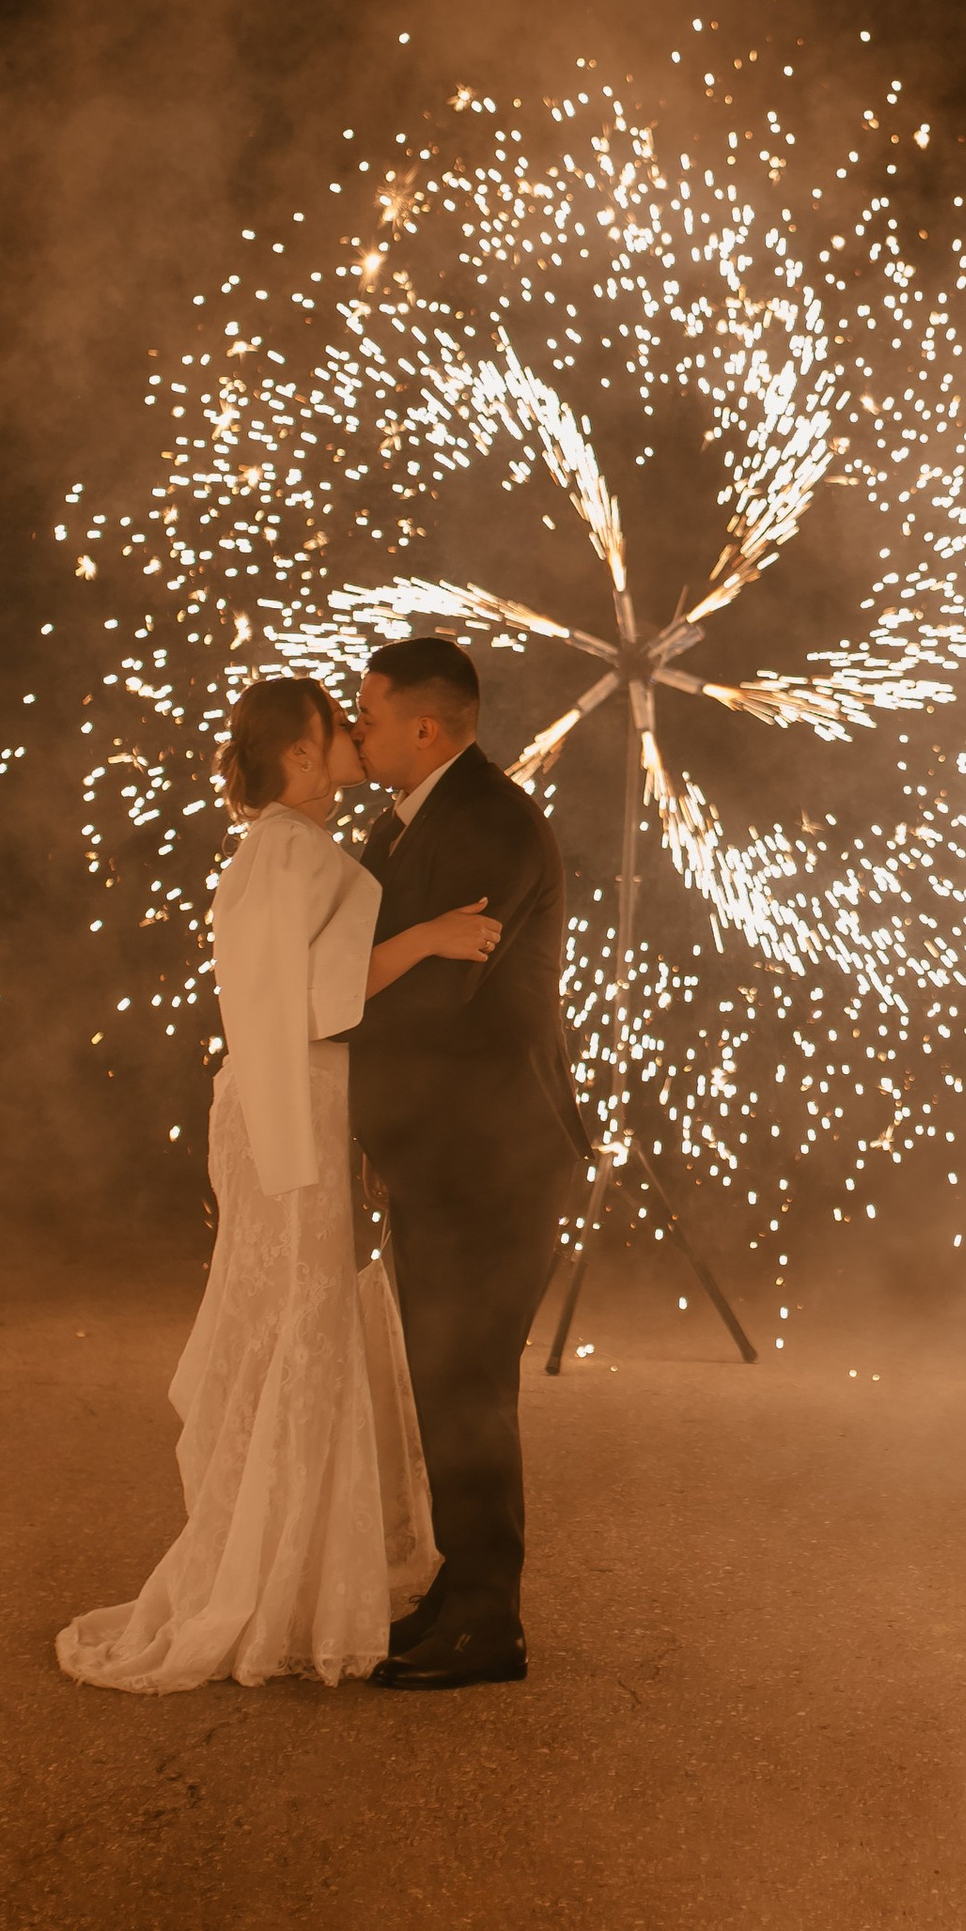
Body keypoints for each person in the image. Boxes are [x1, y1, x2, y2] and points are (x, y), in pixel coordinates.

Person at [57, 673, 504, 1693]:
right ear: (298, 756)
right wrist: (428, 938)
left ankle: (308, 1571)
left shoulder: (289, 849)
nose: (354, 735)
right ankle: (278, 1581)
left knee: (317, 1326)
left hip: (303, 1106)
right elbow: (305, 998)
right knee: (303, 1330)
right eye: (332, 728)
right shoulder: (282, 852)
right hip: (288, 1110)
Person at [349, 636, 589, 1690]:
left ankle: (492, 1621)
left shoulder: (489, 823)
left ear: (425, 726)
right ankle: (463, 1581)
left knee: (469, 1382)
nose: (355, 734)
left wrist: (331, 988)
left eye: (367, 715)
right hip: (441, 1152)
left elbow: (433, 998)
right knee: (445, 1379)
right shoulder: (406, 827)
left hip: (495, 1159)